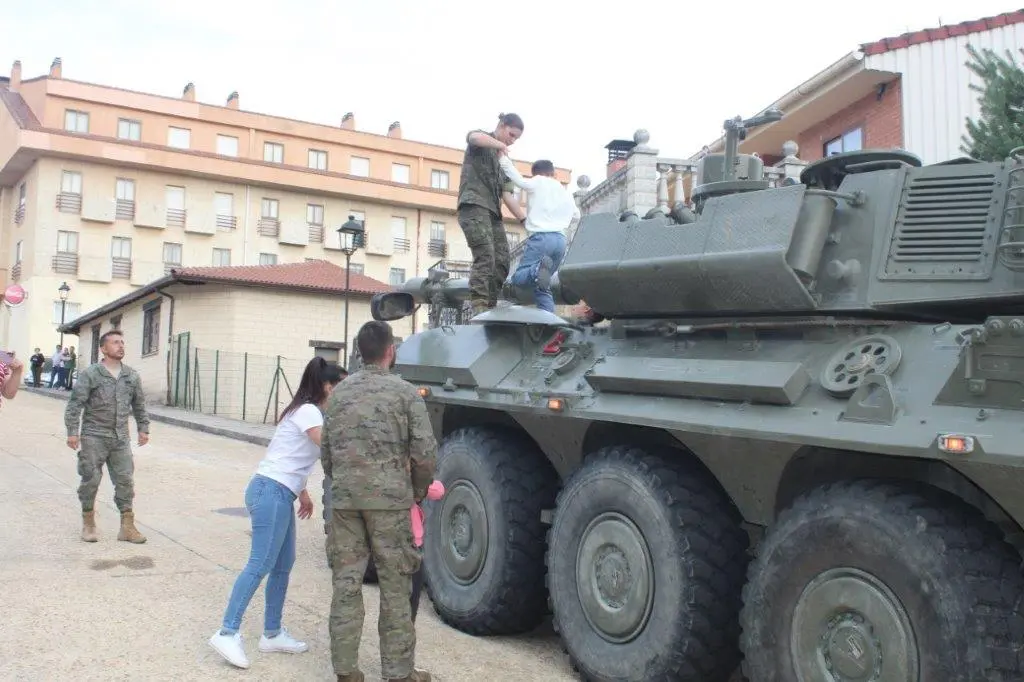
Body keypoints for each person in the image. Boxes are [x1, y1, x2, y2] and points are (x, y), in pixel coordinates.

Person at [209, 357, 346, 671]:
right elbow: (329, 447)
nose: (346, 392)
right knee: (260, 565)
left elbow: (290, 456)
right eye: (343, 386)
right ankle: (227, 631)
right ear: (328, 386)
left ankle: (271, 633)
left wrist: (304, 493)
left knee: (283, 565)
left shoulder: (307, 410)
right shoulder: (311, 411)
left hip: (280, 491)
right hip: (269, 492)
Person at [322, 320, 437, 682]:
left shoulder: (339, 393)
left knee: (346, 584)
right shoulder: (404, 394)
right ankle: (398, 673)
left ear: (359, 352)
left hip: (344, 502)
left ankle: (346, 671)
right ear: (391, 351)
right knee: (396, 586)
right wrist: (416, 492)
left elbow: (326, 452)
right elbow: (425, 454)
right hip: (389, 503)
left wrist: (343, 484)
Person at [64, 330, 150, 544]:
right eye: (115, 343)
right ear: (103, 348)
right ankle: (88, 522)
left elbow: (139, 404)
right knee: (90, 479)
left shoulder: (131, 375)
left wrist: (143, 428)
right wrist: (73, 432)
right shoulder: (91, 374)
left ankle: (127, 527)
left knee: (125, 481)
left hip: (120, 437)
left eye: (122, 342)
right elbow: (76, 404)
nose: (120, 346)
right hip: (94, 435)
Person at [458, 113, 528, 316]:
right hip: (474, 205)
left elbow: (507, 195)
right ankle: (478, 306)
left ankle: (490, 305)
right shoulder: (482, 140)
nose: (512, 140)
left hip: (493, 213)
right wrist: (498, 145)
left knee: (503, 260)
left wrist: (525, 221)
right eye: (511, 134)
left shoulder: (504, 162)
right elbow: (473, 137)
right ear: (502, 125)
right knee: (485, 255)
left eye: (516, 138)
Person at [498, 155, 581, 312]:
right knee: (543, 285)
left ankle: (536, 271)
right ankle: (548, 321)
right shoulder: (563, 191)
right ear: (553, 173)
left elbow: (519, 180)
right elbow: (576, 215)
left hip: (542, 238)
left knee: (519, 278)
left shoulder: (538, 181)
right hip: (560, 240)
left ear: (535, 173)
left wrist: (503, 159)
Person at [408, 480, 445, 622]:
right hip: (411, 544)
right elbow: (438, 490)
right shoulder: (407, 477)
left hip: (385, 542)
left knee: (391, 599)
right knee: (410, 600)